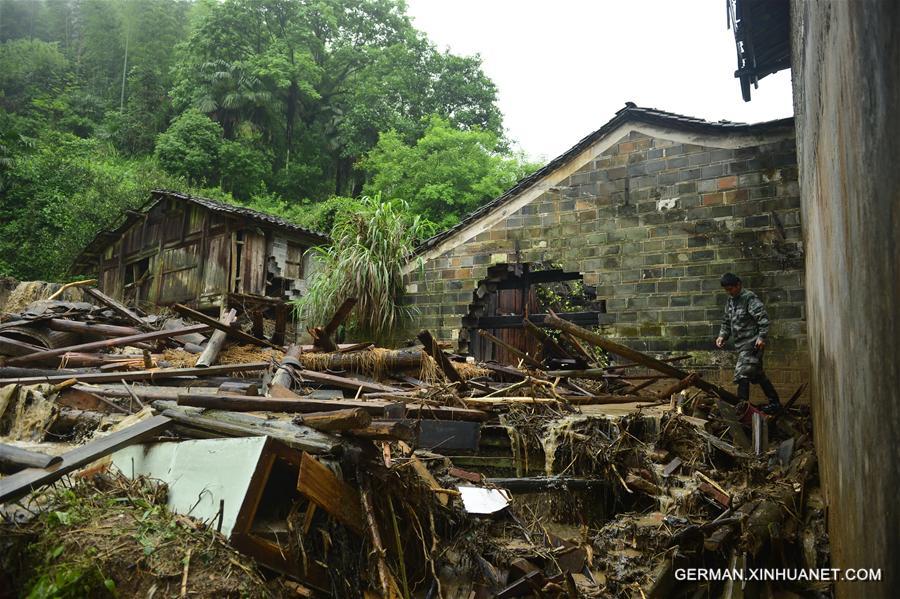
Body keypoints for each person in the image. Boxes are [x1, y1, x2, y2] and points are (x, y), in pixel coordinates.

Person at [715, 273, 782, 414]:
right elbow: (726, 321)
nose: (729, 292)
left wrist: (761, 337)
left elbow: (763, 319)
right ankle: (775, 403)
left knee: (742, 374)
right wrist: (722, 336)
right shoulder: (731, 301)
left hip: (753, 344)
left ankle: (743, 408)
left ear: (738, 284)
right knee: (758, 375)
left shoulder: (749, 298)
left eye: (731, 289)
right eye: (726, 290)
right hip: (741, 345)